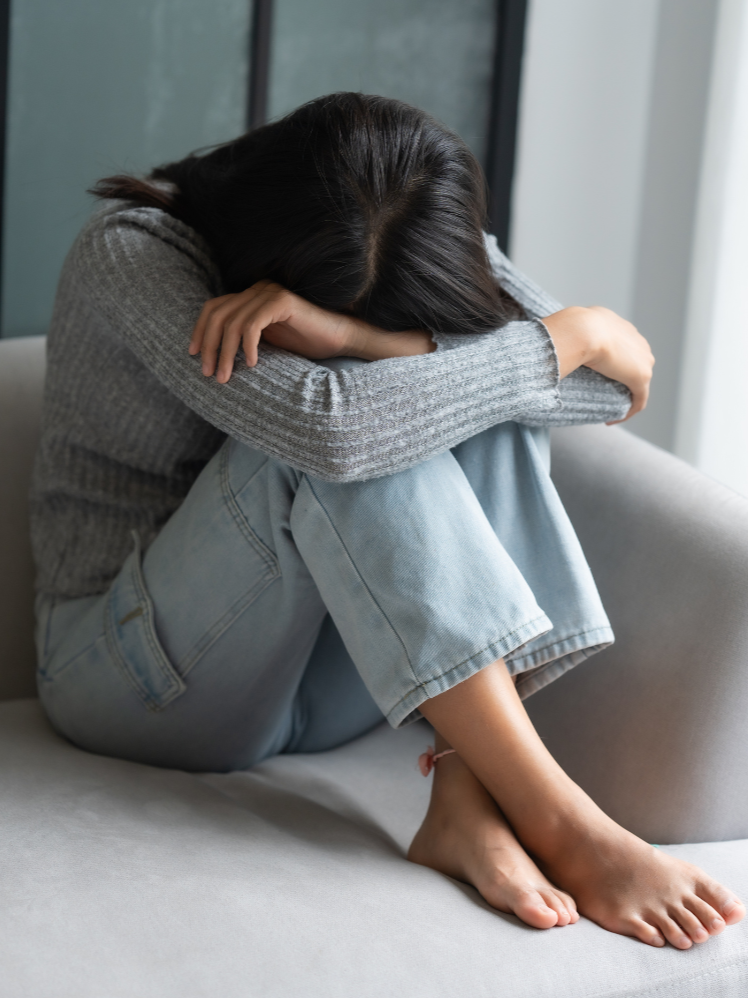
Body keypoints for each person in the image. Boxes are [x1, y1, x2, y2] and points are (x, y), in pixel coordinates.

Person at [31, 92, 743, 949]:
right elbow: (332, 428)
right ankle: (557, 817)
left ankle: (462, 796)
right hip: (131, 675)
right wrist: (575, 331)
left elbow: (601, 391)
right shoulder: (134, 256)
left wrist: (359, 341)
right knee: (341, 431)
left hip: (341, 679)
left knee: (477, 395)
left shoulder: (418, 226)